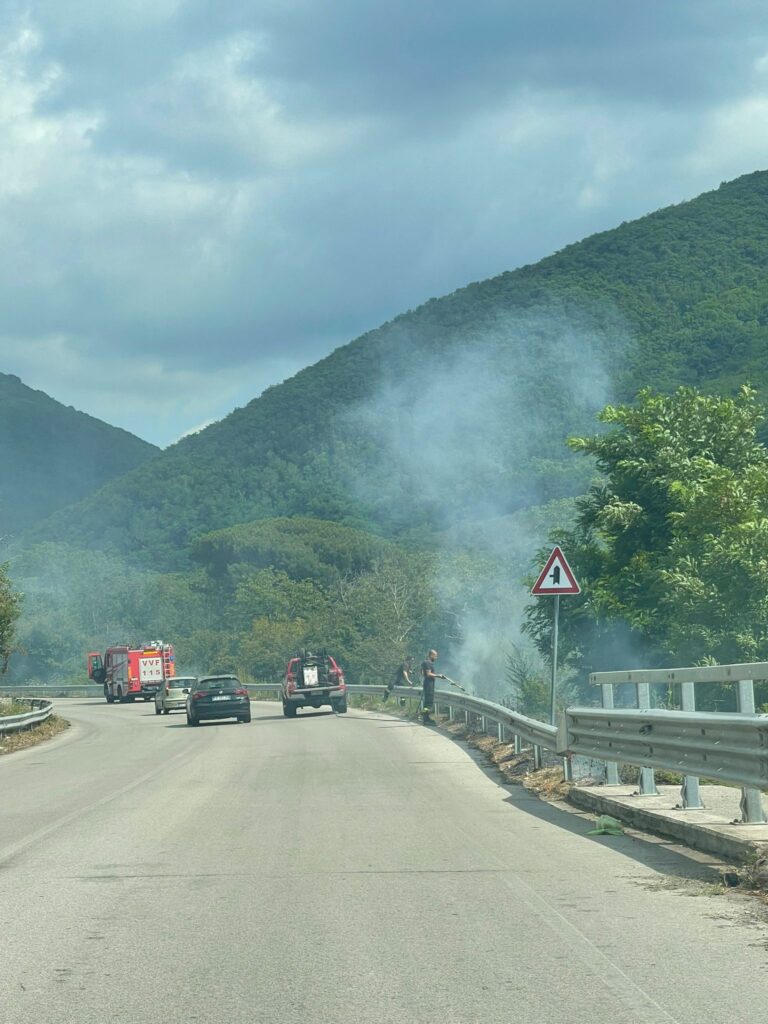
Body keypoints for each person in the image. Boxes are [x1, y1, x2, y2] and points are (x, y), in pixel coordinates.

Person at [420, 649, 445, 724]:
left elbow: (421, 672)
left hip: (427, 683)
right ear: (431, 655)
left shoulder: (425, 662)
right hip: (429, 684)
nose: (436, 658)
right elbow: (428, 674)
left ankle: (425, 717)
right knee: (429, 702)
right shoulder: (428, 663)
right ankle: (426, 718)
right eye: (435, 656)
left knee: (427, 702)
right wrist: (438, 675)